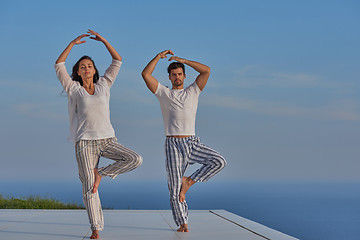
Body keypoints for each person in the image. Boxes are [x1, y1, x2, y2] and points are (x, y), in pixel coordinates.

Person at [55, 30, 142, 239]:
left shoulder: (104, 84)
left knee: (135, 159)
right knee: (88, 186)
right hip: (85, 142)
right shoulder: (73, 88)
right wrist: (71, 43)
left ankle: (100, 174)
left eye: (90, 66)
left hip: (107, 140)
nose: (86, 68)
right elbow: (59, 65)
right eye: (82, 67)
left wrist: (103, 41)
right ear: (78, 71)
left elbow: (117, 60)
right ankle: (96, 228)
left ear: (95, 70)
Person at [141, 50, 226, 232]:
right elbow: (145, 74)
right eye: (174, 75)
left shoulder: (193, 91)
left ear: (185, 76)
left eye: (180, 74)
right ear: (170, 78)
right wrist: (157, 57)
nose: (177, 77)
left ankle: (189, 181)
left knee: (219, 161)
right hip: (173, 145)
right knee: (174, 187)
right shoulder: (163, 93)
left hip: (192, 143)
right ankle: (183, 223)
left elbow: (206, 71)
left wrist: (183, 60)